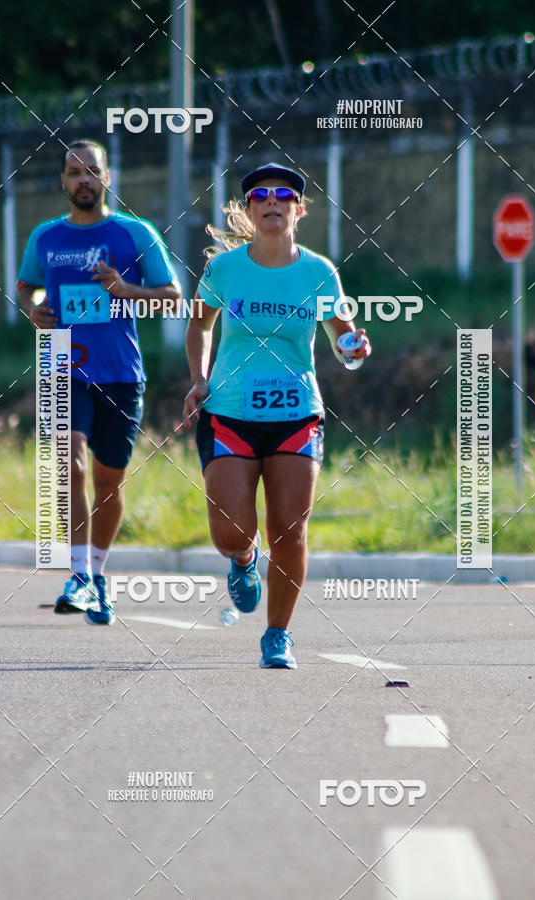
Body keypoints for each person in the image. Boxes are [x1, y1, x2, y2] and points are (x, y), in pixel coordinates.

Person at [182, 162, 370, 668]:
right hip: (229, 412)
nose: (272, 201)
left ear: (299, 210)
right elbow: (200, 326)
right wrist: (199, 378)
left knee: (289, 530)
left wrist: (354, 349)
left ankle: (278, 635)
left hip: (296, 415)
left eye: (284, 195)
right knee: (230, 534)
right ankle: (244, 560)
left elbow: (344, 340)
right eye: (260, 195)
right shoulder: (225, 270)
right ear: (249, 210)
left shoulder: (319, 272)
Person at [18, 139, 181, 624]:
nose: (83, 179)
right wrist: (33, 310)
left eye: (92, 171)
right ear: (63, 181)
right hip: (62, 363)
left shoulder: (134, 232)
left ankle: (98, 573)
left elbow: (172, 297)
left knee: (109, 481)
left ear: (107, 178)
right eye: (74, 172)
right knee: (69, 464)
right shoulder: (45, 236)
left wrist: (125, 289)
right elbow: (27, 286)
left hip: (119, 370)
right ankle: (78, 575)